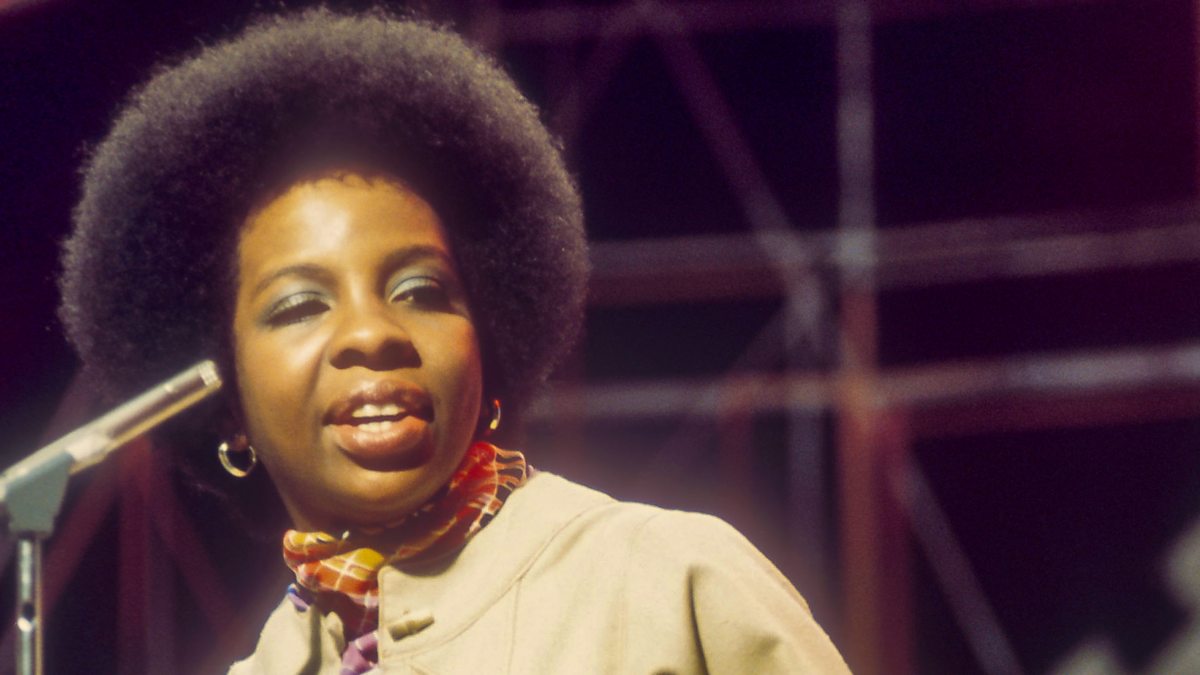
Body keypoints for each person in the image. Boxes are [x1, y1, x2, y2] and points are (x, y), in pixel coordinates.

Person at [58, 8, 851, 674]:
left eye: (421, 291)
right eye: (299, 305)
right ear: (228, 407)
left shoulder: (666, 580)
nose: (373, 333)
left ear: (489, 340)